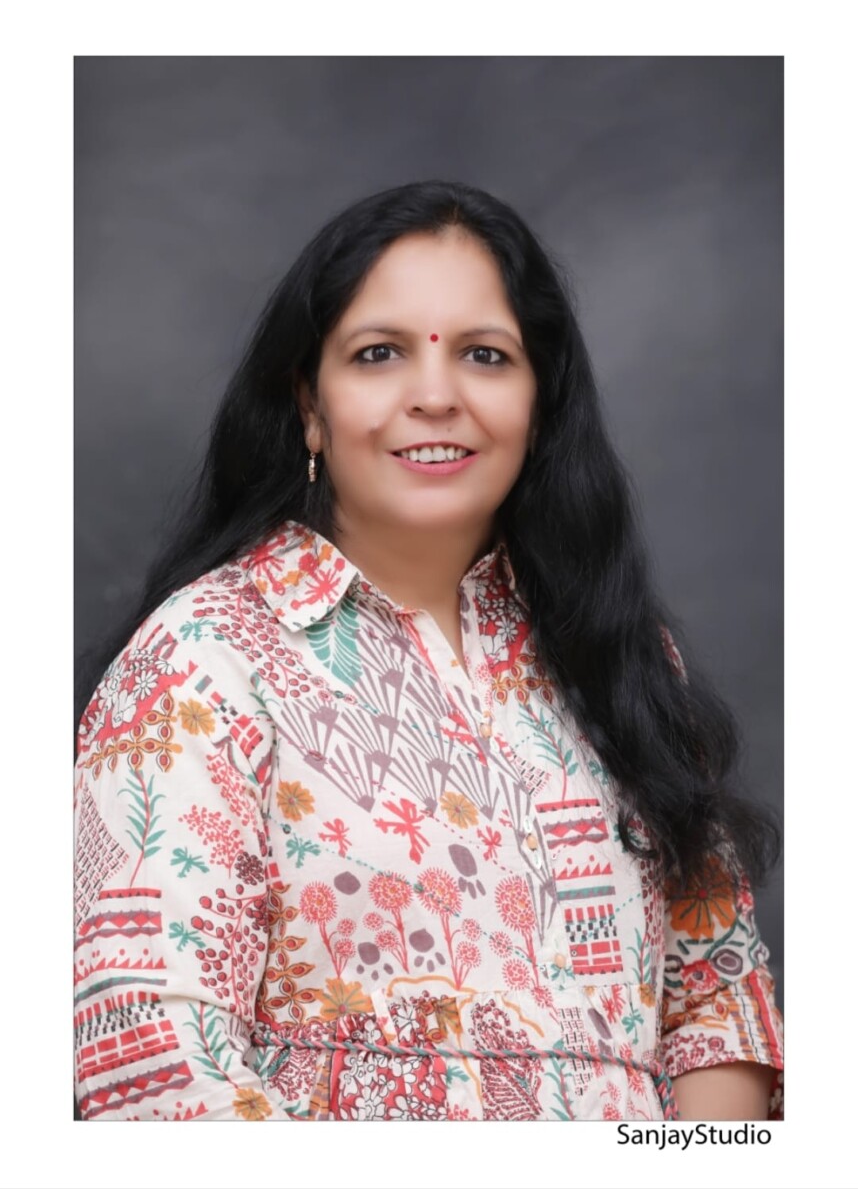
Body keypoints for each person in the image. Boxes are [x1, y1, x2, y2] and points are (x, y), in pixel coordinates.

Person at [74, 179, 784, 1122]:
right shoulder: (203, 658)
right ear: (310, 406)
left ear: (540, 403)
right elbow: (148, 1059)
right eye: (380, 354)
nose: (437, 396)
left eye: (485, 356)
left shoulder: (620, 657)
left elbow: (717, 1010)